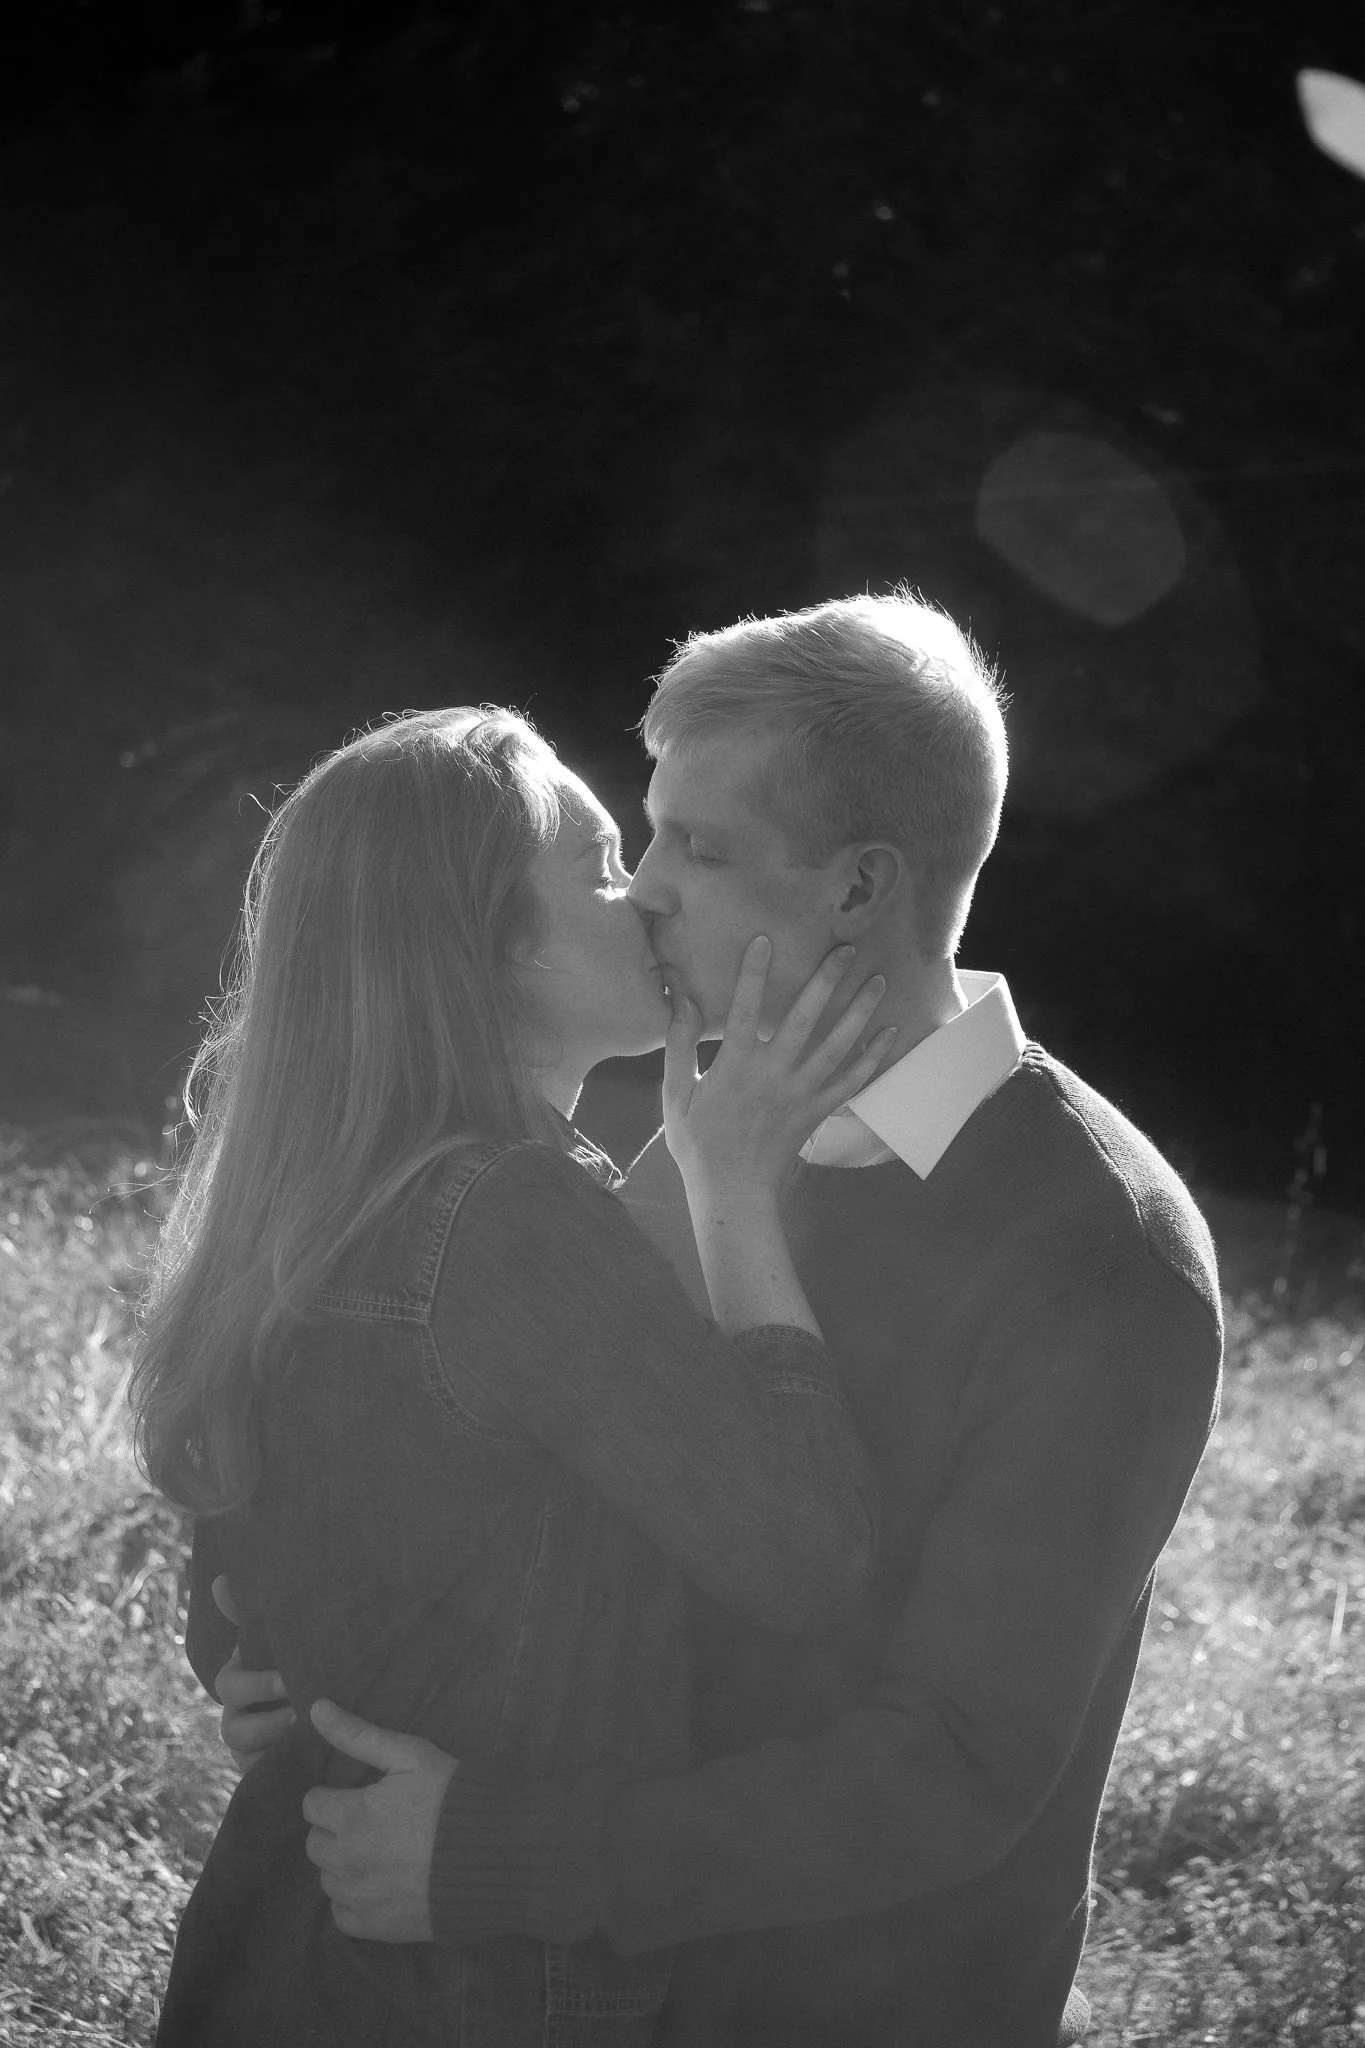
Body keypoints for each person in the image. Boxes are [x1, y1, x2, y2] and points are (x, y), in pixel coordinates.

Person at [213, 595, 1224, 2048]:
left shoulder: (1101, 1255)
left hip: (854, 2007)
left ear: (862, 892)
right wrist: (262, 1641)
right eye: (645, 834)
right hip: (594, 1991)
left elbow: (955, 1764)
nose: (648, 894)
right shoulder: (692, 1141)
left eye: (699, 846)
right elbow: (437, 1459)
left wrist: (509, 1853)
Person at [130, 704, 895, 2046]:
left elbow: (250, 1551)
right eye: (604, 869)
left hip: (275, 1950)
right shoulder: (511, 1217)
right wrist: (735, 1192)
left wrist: (258, 1670)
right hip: (472, 1992)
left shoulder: (321, 1199)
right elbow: (808, 1554)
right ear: (490, 945)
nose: (651, 895)